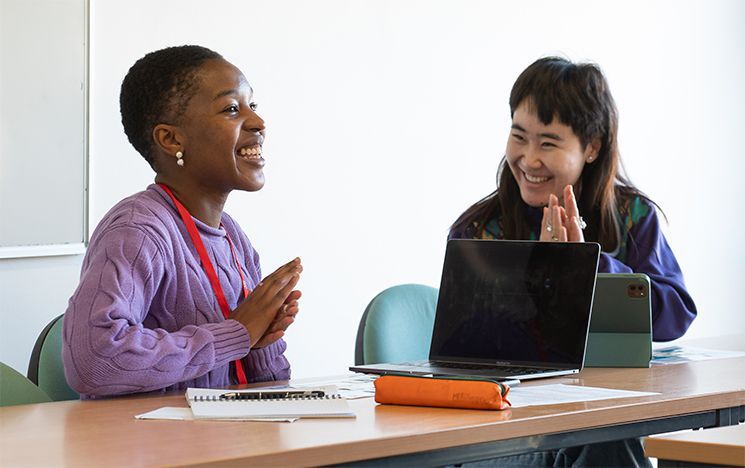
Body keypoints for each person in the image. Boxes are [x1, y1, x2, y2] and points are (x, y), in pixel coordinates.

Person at [450, 56, 697, 466]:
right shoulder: (479, 230)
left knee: (610, 439)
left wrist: (591, 265)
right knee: (596, 446)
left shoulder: (631, 217)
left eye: (548, 143)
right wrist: (541, 277)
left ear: (593, 147)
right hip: (504, 430)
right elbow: (462, 349)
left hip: (600, 416)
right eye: (519, 136)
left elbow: (676, 315)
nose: (529, 160)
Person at [62, 45, 302, 399]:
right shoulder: (138, 229)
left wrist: (259, 340)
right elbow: (94, 361)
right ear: (171, 139)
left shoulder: (233, 238)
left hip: (222, 444)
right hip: (147, 449)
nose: (257, 122)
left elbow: (263, 389)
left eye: (254, 106)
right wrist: (237, 334)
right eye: (232, 109)